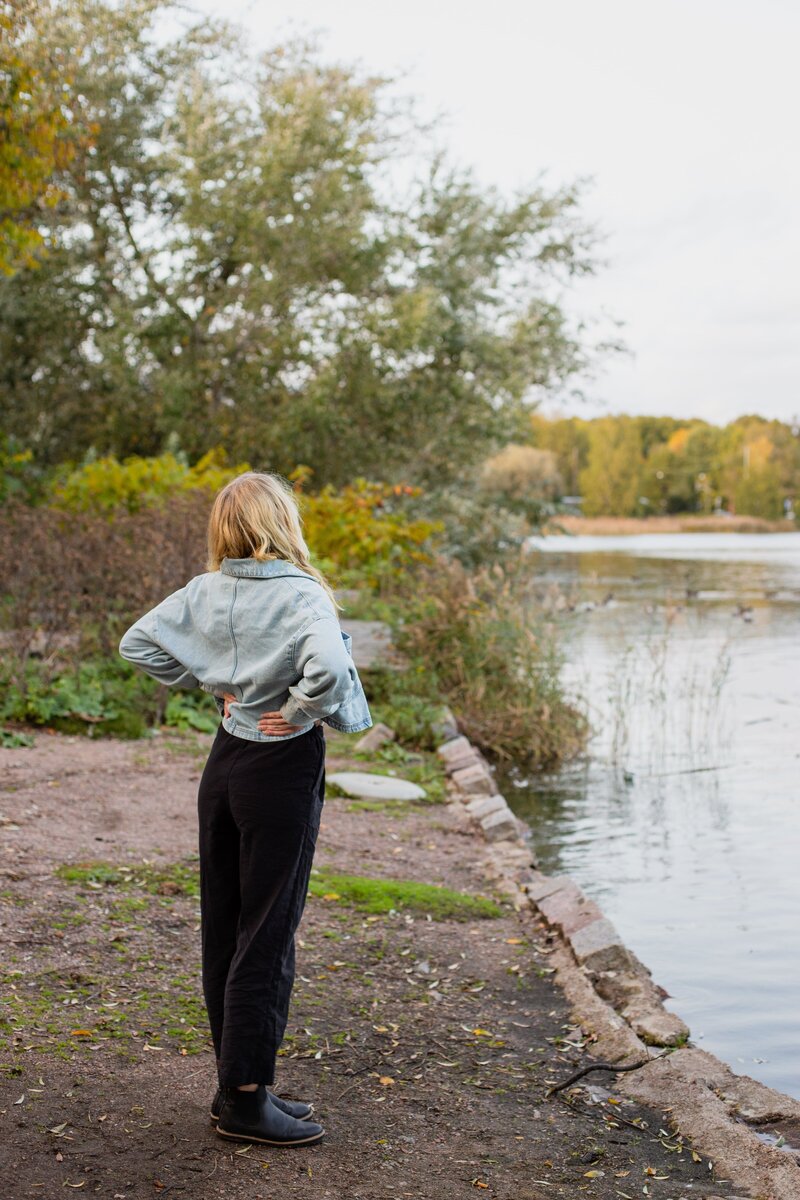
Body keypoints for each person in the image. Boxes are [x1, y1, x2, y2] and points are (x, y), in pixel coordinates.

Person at [118, 471, 373, 1146]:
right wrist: (296, 711)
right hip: (279, 770)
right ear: (281, 524)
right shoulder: (303, 595)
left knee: (226, 926)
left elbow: (136, 642)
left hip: (225, 762)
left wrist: (211, 682)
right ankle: (244, 1099)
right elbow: (330, 672)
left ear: (225, 530)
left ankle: (238, 1080)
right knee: (267, 931)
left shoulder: (205, 590)